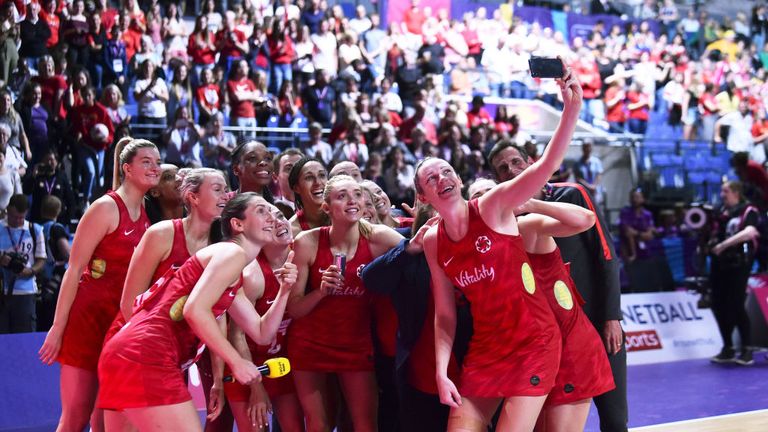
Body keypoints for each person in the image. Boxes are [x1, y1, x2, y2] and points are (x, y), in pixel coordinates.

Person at [414, 66, 581, 431]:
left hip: (534, 341)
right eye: (431, 178)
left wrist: (571, 107)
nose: (441, 178)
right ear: (423, 196)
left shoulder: (492, 206)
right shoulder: (432, 240)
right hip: (487, 349)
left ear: (458, 179)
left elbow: (546, 166)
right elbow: (445, 316)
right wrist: (442, 373)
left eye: (445, 172)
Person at [96, 193, 298, 431]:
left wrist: (284, 291)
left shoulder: (232, 270)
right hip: (147, 354)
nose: (272, 218)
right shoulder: (231, 254)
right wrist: (236, 362)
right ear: (238, 224)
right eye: (261, 211)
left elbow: (262, 333)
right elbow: (195, 310)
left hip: (123, 352)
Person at [487, 140, 626, 431]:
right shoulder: (505, 221)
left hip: (597, 322)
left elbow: (606, 256)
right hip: (553, 338)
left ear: (531, 162)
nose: (511, 170)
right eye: (503, 168)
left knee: (614, 419)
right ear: (497, 179)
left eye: (515, 162)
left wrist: (612, 316)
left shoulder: (571, 194)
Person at [38, 138, 160, 432]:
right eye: (147, 162)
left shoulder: (147, 213)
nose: (155, 168)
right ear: (126, 168)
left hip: (118, 328)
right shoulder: (105, 208)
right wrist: (57, 328)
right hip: (87, 324)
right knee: (75, 419)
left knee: (104, 424)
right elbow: (74, 270)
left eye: (158, 162)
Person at [101, 168, 229, 430]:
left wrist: (218, 378)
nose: (226, 196)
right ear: (192, 197)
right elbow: (129, 303)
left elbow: (219, 313)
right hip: (138, 347)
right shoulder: (162, 234)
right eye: (217, 189)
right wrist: (151, 351)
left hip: (169, 354)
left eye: (226, 189)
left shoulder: (221, 247)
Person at [287, 174, 407, 432]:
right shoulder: (306, 242)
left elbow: (419, 253)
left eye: (357, 194)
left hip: (356, 344)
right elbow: (294, 309)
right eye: (342, 196)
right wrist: (320, 292)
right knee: (318, 425)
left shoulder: (379, 238)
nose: (352, 201)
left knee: (365, 424)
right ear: (326, 207)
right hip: (309, 344)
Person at [515, 199, 615, 431]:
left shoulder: (526, 226)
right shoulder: (482, 246)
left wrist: (531, 203)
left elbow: (586, 219)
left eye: (492, 193)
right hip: (532, 355)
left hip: (569, 349)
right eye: (479, 197)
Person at [225, 205, 304, 432]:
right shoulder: (252, 273)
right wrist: (256, 388)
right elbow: (235, 333)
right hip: (249, 368)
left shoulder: (303, 256)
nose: (279, 222)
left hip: (283, 364)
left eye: (280, 216)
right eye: (271, 220)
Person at [708, 181, 759, 366]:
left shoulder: (748, 210)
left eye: (726, 191)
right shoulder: (720, 213)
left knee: (736, 304)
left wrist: (723, 245)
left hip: (739, 263)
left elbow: (750, 232)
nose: (722, 194)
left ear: (736, 192)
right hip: (719, 264)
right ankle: (727, 347)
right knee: (718, 304)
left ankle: (746, 349)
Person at [0, 194, 46, 333]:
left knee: (24, 336)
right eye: (14, 217)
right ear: (8, 210)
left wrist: (30, 271)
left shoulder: (35, 230)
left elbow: (41, 259)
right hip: (2, 290)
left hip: (26, 291)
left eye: (21, 217)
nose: (18, 220)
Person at [288, 157, 330, 235]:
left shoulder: (343, 218)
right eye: (309, 177)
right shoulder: (291, 231)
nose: (317, 182)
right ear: (296, 188)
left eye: (322, 175)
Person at [618, 189, 656, 262]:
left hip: (646, 252)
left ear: (643, 199)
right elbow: (628, 232)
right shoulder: (624, 212)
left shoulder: (648, 214)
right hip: (628, 253)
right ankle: (633, 255)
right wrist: (642, 235)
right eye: (632, 197)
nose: (634, 200)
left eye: (637, 197)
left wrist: (637, 234)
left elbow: (650, 235)